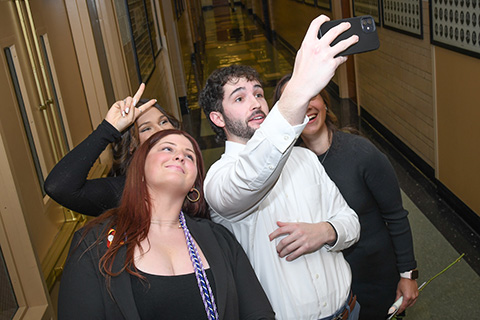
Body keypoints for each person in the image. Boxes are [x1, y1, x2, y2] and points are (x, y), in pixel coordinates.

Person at [199, 15, 361, 320]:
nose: (256, 103)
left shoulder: (303, 158)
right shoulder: (218, 182)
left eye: (259, 93)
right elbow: (251, 178)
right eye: (240, 97)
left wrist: (326, 231)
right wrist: (299, 89)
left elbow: (351, 222)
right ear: (218, 118)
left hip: (349, 311)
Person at [58, 129, 275, 320]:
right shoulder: (94, 244)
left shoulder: (220, 239)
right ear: (139, 169)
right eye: (167, 148)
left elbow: (259, 314)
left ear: (194, 186)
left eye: (189, 156)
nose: (180, 156)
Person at [273, 74, 419, 319]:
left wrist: (408, 275)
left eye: (313, 96)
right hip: (328, 285)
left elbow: (395, 215)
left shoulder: (361, 153)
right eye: (296, 100)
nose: (307, 105)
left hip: (375, 278)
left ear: (325, 102)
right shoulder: (285, 169)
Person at [44, 84, 180, 216]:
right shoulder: (125, 192)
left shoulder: (193, 175)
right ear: (131, 146)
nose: (161, 130)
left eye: (163, 122)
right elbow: (59, 187)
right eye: (146, 128)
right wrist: (107, 130)